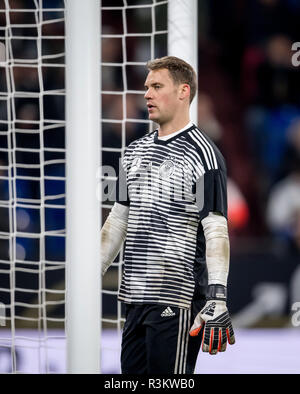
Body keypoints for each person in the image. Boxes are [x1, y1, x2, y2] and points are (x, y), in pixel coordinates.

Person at [100, 56, 235, 374]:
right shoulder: (133, 151)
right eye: (147, 87)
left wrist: (217, 296)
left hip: (176, 298)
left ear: (183, 91)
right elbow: (119, 219)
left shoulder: (204, 153)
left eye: (157, 86)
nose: (146, 94)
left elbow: (216, 229)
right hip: (134, 298)